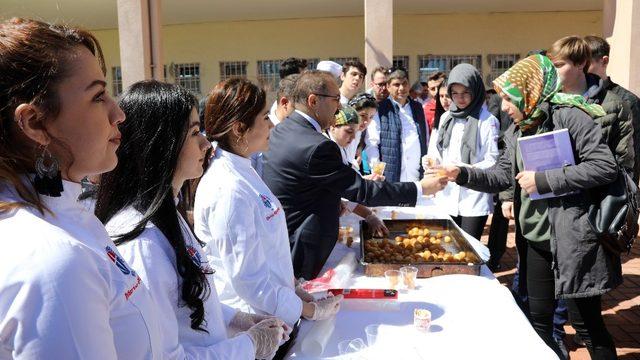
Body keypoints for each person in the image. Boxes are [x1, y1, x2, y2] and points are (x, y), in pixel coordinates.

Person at [437, 54, 620, 360]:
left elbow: (604, 167)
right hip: (534, 238)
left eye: (510, 99)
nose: (505, 107)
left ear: (530, 90)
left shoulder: (571, 117)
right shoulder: (519, 129)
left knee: (587, 325)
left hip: (573, 241)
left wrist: (544, 180)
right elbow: (500, 175)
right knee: (538, 320)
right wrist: (461, 173)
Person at [0, 18, 163, 358]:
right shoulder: (54, 260)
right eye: (98, 96)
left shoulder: (62, 216)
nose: (118, 114)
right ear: (34, 123)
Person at [95, 80, 286, 359]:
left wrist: (236, 319)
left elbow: (187, 297)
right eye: (195, 132)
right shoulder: (142, 242)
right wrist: (250, 345)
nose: (207, 143)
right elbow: (165, 356)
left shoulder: (166, 211)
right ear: (162, 145)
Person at [262, 70, 448, 279]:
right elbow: (361, 190)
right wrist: (420, 188)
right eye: (335, 100)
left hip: (282, 240)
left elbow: (303, 185)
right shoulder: (316, 145)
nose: (339, 106)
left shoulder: (282, 129)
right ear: (314, 101)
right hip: (302, 248)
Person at [194, 78, 343, 333]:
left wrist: (294, 289)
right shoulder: (229, 190)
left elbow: (267, 250)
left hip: (275, 310)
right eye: (264, 118)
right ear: (240, 128)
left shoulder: (244, 169)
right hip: (254, 322)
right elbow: (250, 282)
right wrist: (308, 310)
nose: (271, 124)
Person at [425, 64, 499, 241]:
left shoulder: (487, 120)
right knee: (446, 245)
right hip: (446, 194)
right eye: (455, 93)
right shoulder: (446, 117)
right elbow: (435, 151)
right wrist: (430, 164)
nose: (460, 98)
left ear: (475, 91)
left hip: (474, 195)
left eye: (465, 92)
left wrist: (461, 170)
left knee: (470, 247)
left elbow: (492, 160)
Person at [548, 36, 634, 174]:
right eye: (550, 66)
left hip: (598, 191)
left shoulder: (615, 104)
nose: (553, 71)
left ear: (580, 63)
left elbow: (623, 160)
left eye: (559, 65)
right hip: (555, 189)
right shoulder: (547, 103)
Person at [584, 35, 640, 183]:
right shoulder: (571, 97)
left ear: (604, 61)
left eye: (587, 64)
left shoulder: (627, 100)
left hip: (612, 188)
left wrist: (628, 198)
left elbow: (633, 155)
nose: (582, 71)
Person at [327, 106, 388, 234]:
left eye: (355, 132)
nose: (354, 137)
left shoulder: (341, 148)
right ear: (332, 126)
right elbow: (344, 193)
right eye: (349, 131)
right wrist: (368, 214)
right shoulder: (327, 152)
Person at [365, 68, 429, 183]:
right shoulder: (380, 110)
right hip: (391, 180)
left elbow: (426, 139)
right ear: (388, 87)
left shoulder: (418, 108)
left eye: (404, 83)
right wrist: (378, 173)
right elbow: (372, 145)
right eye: (396, 84)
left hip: (416, 178)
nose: (401, 88)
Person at [349, 92, 379, 175]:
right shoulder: (343, 134)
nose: (366, 121)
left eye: (371, 117)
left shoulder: (359, 132)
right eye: (363, 115)